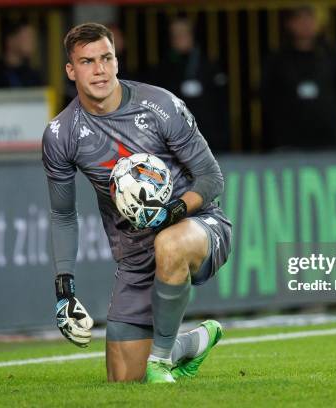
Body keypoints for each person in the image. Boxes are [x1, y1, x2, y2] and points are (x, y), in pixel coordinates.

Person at [42, 23, 232, 383]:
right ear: (71, 70)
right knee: (124, 379)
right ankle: (189, 344)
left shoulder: (160, 106)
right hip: (135, 255)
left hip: (198, 227)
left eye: (106, 58)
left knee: (169, 243)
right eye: (87, 62)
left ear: (116, 60)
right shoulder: (60, 134)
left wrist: (174, 212)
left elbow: (211, 178)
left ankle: (161, 359)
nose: (99, 70)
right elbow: (63, 215)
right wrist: (64, 291)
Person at [261, 6, 336, 151]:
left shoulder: (331, 55)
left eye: (309, 19)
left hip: (326, 133)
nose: (305, 24)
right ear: (289, 24)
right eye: (300, 19)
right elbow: (267, 93)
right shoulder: (278, 59)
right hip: (288, 136)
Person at [149, 17, 229, 152]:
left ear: (191, 35)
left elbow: (219, 103)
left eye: (183, 33)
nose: (178, 38)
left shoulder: (207, 64)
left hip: (206, 135)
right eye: (175, 35)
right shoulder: (163, 68)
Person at [0, 19, 42, 88]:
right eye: (27, 38)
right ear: (10, 40)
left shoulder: (33, 75)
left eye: (33, 38)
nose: (32, 43)